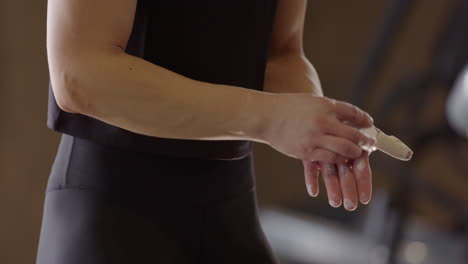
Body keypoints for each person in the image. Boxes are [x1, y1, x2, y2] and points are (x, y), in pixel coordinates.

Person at [36, 0, 376, 263]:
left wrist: (322, 128)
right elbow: (80, 74)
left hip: (229, 211)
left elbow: (280, 54)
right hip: (112, 213)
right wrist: (270, 118)